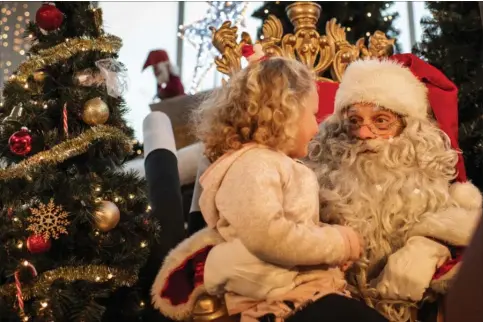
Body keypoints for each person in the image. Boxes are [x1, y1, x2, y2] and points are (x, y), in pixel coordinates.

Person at [151, 51, 387, 322]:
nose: (316, 126)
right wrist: (337, 243)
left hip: (303, 294)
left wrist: (329, 251)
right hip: (281, 304)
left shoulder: (272, 163)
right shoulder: (252, 165)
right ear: (284, 114)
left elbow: (291, 227)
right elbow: (270, 235)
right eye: (311, 115)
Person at [309, 53, 482, 321]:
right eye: (355, 121)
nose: (365, 134)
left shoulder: (435, 183)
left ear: (408, 129)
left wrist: (429, 246)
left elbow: (466, 233)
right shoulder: (315, 181)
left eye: (381, 121)